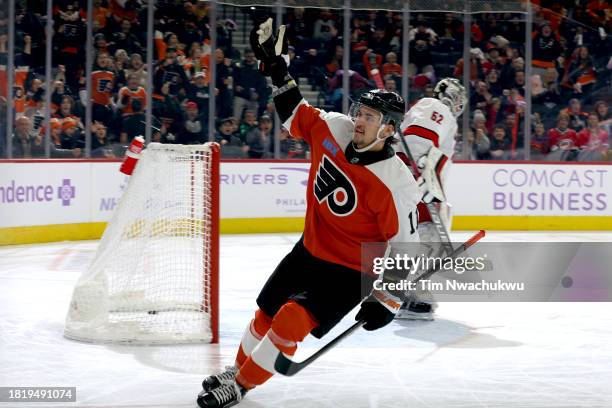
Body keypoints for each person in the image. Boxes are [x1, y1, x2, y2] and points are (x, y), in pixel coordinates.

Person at [196, 18, 421, 408]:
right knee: (265, 312)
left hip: (351, 270)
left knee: (290, 319)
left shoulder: (396, 182)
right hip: (309, 249)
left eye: (370, 117)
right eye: (360, 111)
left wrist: (388, 298)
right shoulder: (334, 128)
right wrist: (277, 69)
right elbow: (294, 113)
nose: (360, 120)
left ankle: (243, 384)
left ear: (388, 130)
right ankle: (237, 369)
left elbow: (406, 244)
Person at [394, 77, 467, 320]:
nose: (457, 104)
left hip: (419, 181)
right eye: (457, 98)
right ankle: (415, 297)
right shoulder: (437, 107)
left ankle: (399, 292)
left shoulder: (428, 108)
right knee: (429, 235)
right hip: (421, 183)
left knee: (415, 235)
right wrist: (423, 175)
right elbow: (417, 141)